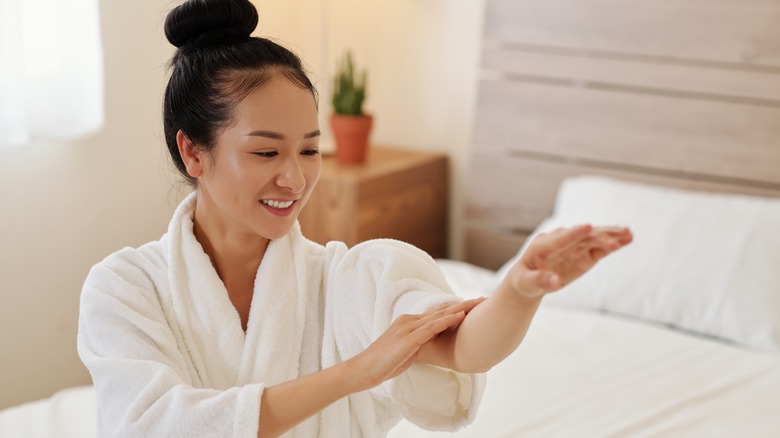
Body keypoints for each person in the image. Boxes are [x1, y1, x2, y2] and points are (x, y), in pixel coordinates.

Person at [76, 0, 633, 437]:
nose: (294, 179)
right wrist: (356, 372)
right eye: (266, 153)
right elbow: (154, 427)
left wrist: (518, 290)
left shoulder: (349, 280)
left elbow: (461, 349)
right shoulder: (124, 289)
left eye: (311, 150)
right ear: (194, 152)